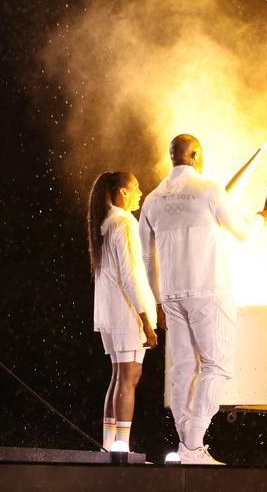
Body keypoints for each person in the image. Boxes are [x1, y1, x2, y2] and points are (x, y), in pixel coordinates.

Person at [140, 134, 267, 465]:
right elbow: (241, 233)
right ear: (195, 154)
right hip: (209, 291)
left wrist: (156, 303)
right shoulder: (210, 190)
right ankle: (193, 444)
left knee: (185, 368)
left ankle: (189, 447)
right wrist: (260, 219)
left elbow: (145, 258)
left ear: (172, 157)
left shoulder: (153, 200)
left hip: (171, 295)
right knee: (217, 366)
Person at [88, 171, 158, 453]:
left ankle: (109, 446)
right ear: (123, 193)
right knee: (128, 379)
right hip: (126, 314)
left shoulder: (104, 223)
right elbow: (130, 276)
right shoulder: (124, 223)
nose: (141, 194)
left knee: (118, 377)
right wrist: (146, 321)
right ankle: (122, 448)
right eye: (137, 188)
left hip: (109, 314)